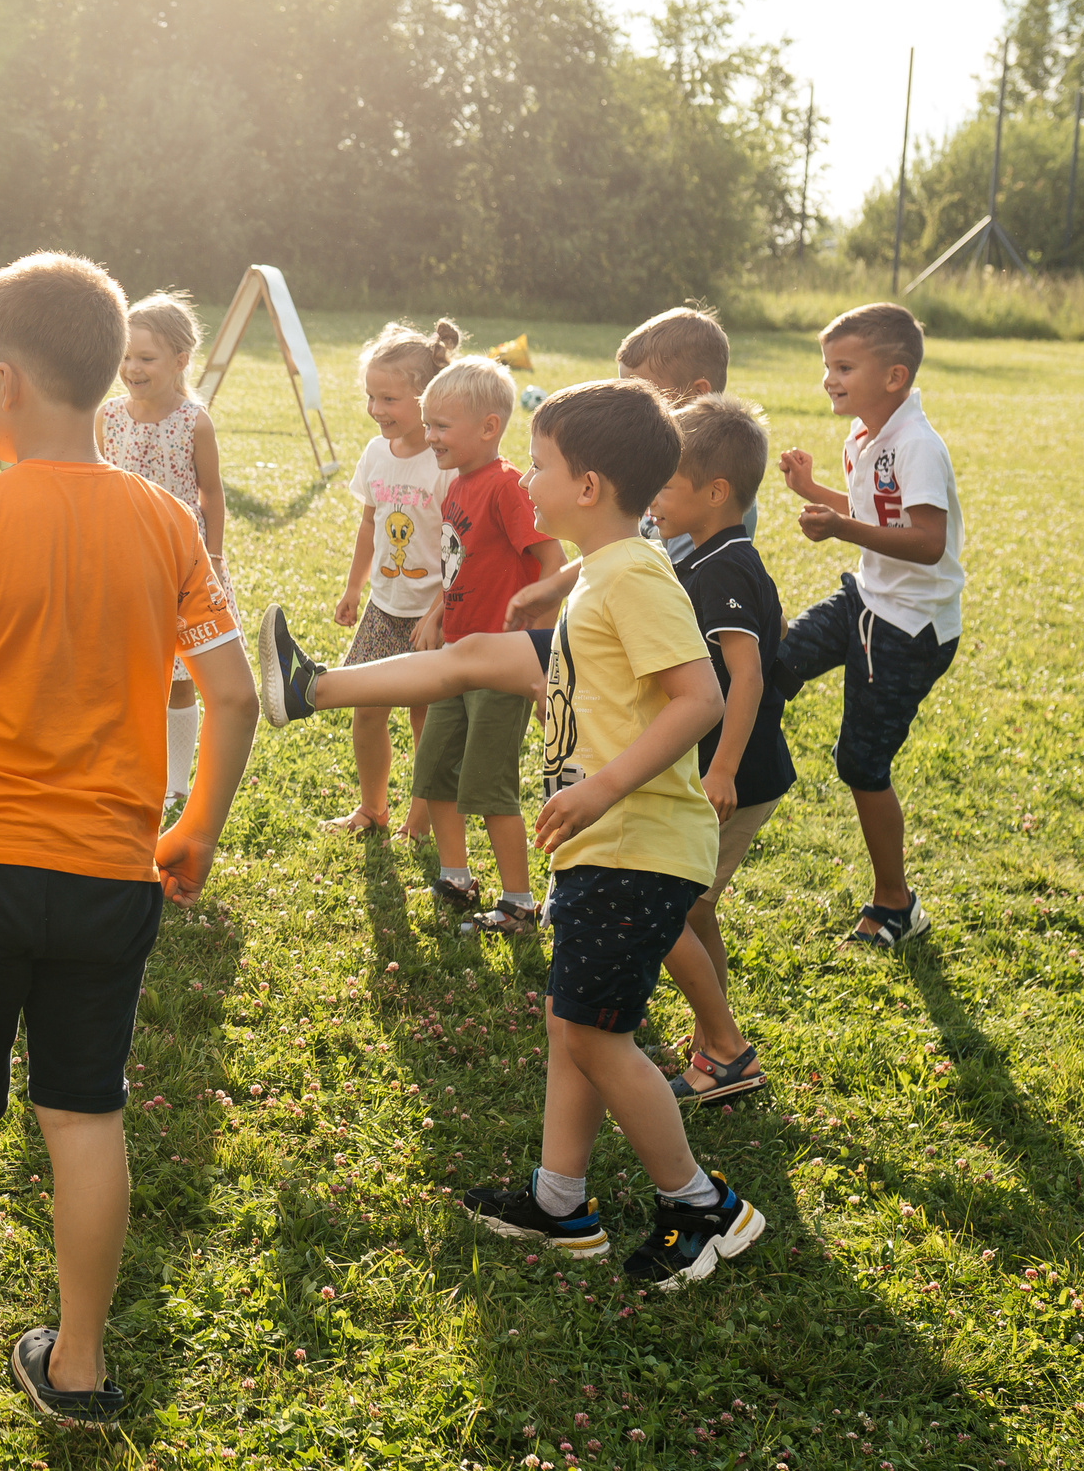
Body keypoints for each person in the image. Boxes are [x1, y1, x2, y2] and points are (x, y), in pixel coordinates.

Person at [0, 253, 256, 1440]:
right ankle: (77, 1367)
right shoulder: (166, 521)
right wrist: (195, 829)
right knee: (84, 1115)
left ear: (6, 383)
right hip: (109, 873)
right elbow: (233, 695)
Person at [258, 379, 767, 1288]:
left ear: (588, 485)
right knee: (574, 1026)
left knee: (599, 1037)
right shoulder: (608, 570)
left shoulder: (635, 573)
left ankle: (702, 1205)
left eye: (541, 465)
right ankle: (559, 1200)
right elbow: (472, 660)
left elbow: (701, 697)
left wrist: (601, 786)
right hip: (605, 845)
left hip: (635, 844)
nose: (528, 479)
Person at [267, 353, 563, 926]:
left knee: (490, 785)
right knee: (434, 769)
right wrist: (438, 612)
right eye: (427, 425)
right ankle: (455, 878)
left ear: (489, 427)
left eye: (441, 426)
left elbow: (551, 560)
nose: (430, 437)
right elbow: (458, 566)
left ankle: (519, 902)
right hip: (452, 657)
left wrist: (534, 637)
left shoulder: (505, 487)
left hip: (498, 664)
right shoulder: (456, 488)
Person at [773, 302, 964, 947]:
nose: (829, 378)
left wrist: (839, 529)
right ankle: (731, 789)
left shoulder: (916, 446)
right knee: (776, 663)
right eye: (828, 366)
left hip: (908, 628)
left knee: (861, 763)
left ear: (894, 376)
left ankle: (897, 905)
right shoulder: (863, 435)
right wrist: (814, 493)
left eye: (844, 367)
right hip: (866, 600)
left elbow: (928, 541)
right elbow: (872, 511)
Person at [649, 396, 794, 1103]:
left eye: (666, 482)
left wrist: (724, 767)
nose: (653, 495)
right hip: (726, 768)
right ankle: (715, 1034)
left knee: (672, 906)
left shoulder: (724, 568)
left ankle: (725, 1054)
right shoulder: (715, 557)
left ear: (715, 492)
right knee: (694, 905)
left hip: (737, 775)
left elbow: (749, 674)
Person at [504, 306, 750, 626]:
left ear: (698, 392)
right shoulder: (649, 466)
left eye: (642, 391)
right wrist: (555, 586)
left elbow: (670, 590)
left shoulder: (700, 488)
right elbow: (627, 544)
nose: (623, 401)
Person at [317, 320, 458, 836]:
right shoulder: (376, 453)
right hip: (384, 605)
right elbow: (369, 524)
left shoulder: (445, 465)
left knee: (425, 719)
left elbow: (460, 549)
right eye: (370, 397)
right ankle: (372, 808)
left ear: (426, 397)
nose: (376, 409)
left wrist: (438, 612)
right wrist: (354, 587)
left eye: (389, 399)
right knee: (367, 710)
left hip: (431, 613)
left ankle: (419, 819)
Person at [97, 290, 228, 816]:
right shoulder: (108, 416)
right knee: (122, 672)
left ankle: (175, 783)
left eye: (146, 358)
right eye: (126, 356)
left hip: (178, 566)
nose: (132, 368)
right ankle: (123, 765)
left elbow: (211, 494)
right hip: (120, 563)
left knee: (177, 680)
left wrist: (214, 559)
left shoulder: (194, 422)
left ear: (179, 361)